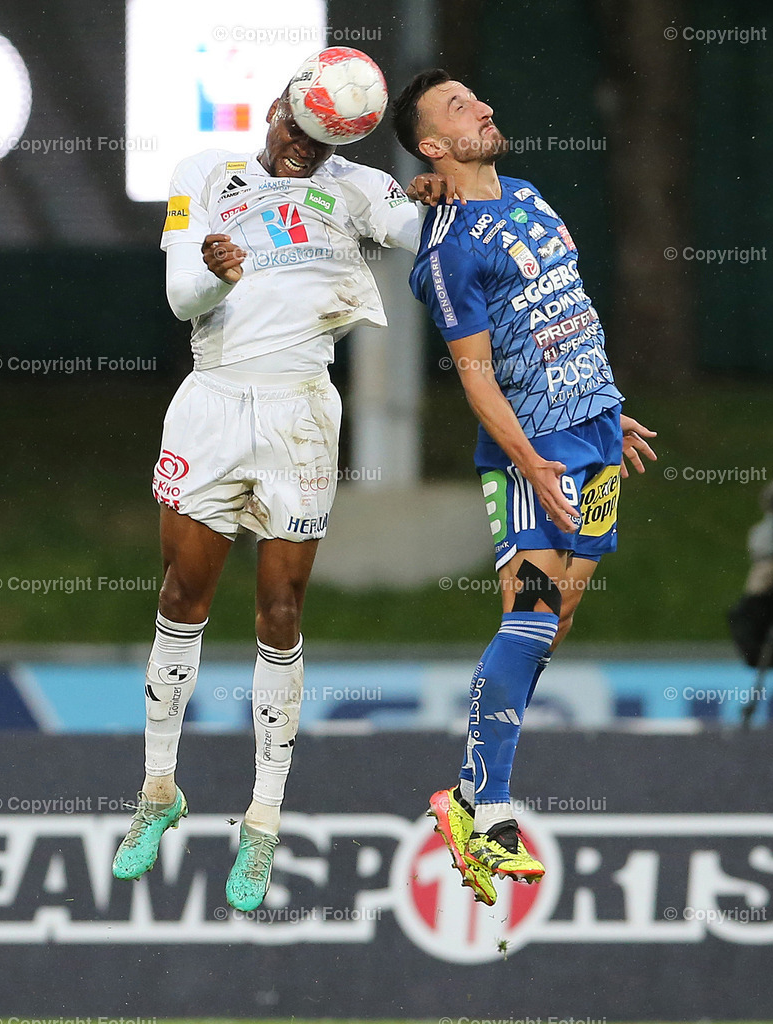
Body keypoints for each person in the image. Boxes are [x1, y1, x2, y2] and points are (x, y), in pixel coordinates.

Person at [111, 66, 427, 912]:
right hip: (211, 403)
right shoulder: (206, 175)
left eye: (321, 144)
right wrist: (217, 271)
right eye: (296, 130)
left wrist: (451, 198)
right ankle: (157, 792)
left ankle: (261, 822)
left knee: (281, 611)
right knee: (182, 596)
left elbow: (419, 230)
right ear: (279, 107)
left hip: (300, 414)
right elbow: (185, 297)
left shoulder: (356, 187)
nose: (301, 150)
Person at [393, 69, 657, 906]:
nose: (485, 109)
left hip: (596, 439)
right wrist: (530, 463)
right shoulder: (446, 250)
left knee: (560, 616)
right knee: (532, 611)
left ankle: (476, 791)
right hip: (529, 454)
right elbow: (474, 377)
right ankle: (482, 802)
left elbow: (565, 309)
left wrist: (609, 408)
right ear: (432, 145)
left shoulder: (531, 194)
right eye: (459, 108)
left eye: (478, 99)